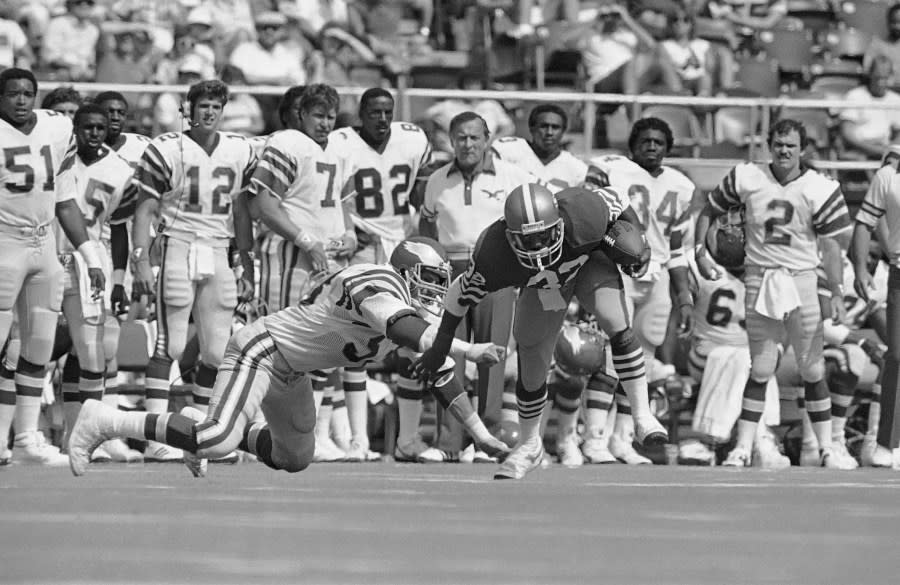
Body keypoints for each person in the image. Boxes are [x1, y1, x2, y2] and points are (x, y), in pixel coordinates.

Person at [67, 237, 511, 477]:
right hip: (263, 349)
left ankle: (198, 425)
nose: (436, 289)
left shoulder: (409, 306)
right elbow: (408, 331)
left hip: (293, 369)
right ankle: (104, 420)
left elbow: (442, 372)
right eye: (430, 279)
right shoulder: (375, 280)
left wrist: (480, 435)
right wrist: (469, 346)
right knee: (219, 443)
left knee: (294, 458)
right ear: (407, 271)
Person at [416, 182, 669, 480]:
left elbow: (615, 198)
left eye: (544, 235)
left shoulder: (583, 212)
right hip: (544, 286)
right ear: (510, 236)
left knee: (614, 319)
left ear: (560, 223)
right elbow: (457, 297)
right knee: (532, 352)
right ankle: (530, 444)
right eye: (528, 240)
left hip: (587, 264)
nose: (538, 247)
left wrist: (637, 235)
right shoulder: (493, 253)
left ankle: (642, 415)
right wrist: (440, 346)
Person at [694, 118, 855, 469]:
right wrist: (699, 250)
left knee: (812, 368)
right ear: (769, 145)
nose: (784, 151)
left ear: (803, 149)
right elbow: (710, 209)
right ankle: (743, 446)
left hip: (801, 281)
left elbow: (830, 249)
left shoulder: (819, 187)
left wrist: (838, 293)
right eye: (779, 144)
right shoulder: (747, 177)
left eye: (791, 146)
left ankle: (827, 448)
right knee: (761, 367)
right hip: (760, 278)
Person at [131, 80, 257, 462]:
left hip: (219, 249)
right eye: (202, 105)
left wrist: (245, 259)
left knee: (218, 352)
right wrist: (140, 258)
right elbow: (145, 209)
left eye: (216, 106)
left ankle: (200, 434)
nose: (209, 112)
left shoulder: (239, 149)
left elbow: (241, 211)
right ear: (188, 108)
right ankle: (155, 437)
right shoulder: (168, 147)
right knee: (168, 345)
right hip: (178, 245)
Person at [248, 83, 360, 462]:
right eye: (318, 115)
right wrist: (304, 238)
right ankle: (260, 431)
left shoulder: (341, 149)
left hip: (328, 260)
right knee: (278, 343)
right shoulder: (288, 143)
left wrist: (348, 235)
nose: (325, 124)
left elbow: (344, 204)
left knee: (326, 345)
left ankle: (316, 432)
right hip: (289, 257)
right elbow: (262, 204)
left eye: (330, 116)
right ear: (301, 115)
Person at [0, 68, 105, 466]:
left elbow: (65, 199)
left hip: (43, 245)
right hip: (4, 243)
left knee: (38, 347)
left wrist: (89, 255)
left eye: (28, 93)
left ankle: (27, 437)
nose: (22, 100)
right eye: (13, 94)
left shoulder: (57, 128)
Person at [419, 111, 533, 462]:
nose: (467, 145)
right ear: (450, 141)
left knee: (492, 355)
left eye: (474, 137)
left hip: (495, 271)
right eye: (460, 138)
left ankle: (489, 437)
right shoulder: (437, 179)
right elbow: (426, 229)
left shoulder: (513, 176)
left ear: (487, 140)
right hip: (450, 271)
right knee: (447, 352)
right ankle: (449, 442)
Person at [326, 88, 433, 461]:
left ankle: (408, 437)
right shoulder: (341, 143)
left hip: (403, 250)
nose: (382, 118)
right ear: (361, 113)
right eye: (374, 112)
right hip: (360, 246)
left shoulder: (413, 139)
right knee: (355, 341)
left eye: (387, 111)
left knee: (411, 340)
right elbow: (333, 195)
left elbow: (423, 193)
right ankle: (358, 439)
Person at [590, 117, 695, 462]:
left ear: (668, 148)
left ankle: (621, 439)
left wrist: (684, 297)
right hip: (620, 267)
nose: (651, 146)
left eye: (658, 141)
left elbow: (677, 249)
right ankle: (594, 437)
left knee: (642, 361)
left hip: (658, 273)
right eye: (645, 140)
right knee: (610, 356)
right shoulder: (612, 170)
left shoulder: (681, 185)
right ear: (632, 145)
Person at [52, 104, 141, 461]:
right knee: (26, 349)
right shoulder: (57, 156)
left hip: (88, 264)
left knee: (91, 352)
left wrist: (119, 278)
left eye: (100, 127)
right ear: (75, 127)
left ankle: (80, 436)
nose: (94, 133)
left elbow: (118, 230)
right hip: (43, 255)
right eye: (87, 126)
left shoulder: (121, 171)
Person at [851, 148, 900, 468]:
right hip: (899, 270)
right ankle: (887, 443)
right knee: (896, 354)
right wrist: (859, 268)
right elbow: (864, 223)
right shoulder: (886, 176)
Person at [839, 57, 900, 161]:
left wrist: (890, 149)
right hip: (858, 151)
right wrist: (875, 150)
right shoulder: (854, 96)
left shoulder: (896, 100)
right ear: (870, 74)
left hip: (885, 152)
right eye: (877, 77)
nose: (880, 82)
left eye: (884, 78)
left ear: (891, 77)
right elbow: (847, 133)